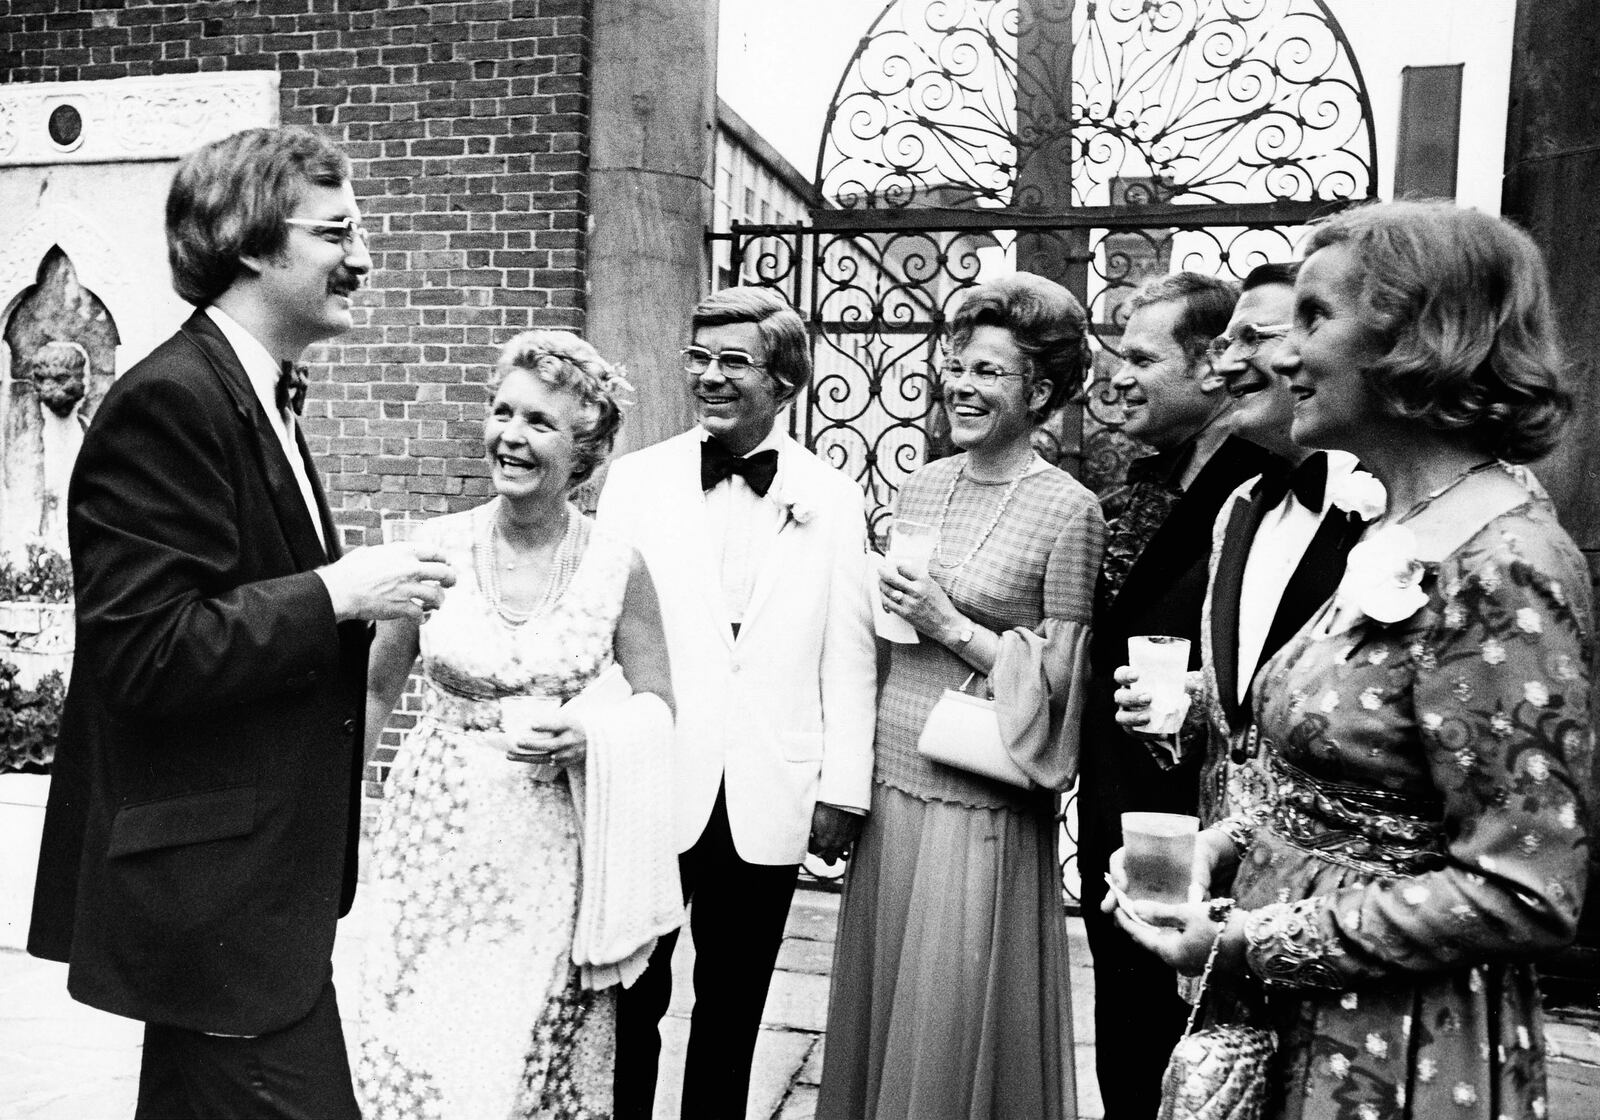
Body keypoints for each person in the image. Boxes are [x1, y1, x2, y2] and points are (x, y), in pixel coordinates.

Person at [1109, 200, 1592, 1120]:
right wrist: (1217, 850)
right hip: (1303, 1020)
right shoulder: (1397, 530)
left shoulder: (1507, 566)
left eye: (1314, 319)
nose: (1278, 356)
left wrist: (1256, 939)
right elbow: (1337, 789)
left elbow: (1528, 891)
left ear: (1421, 339)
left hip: (1401, 1047)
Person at [26, 125, 456, 1119]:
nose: (364, 255)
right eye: (337, 231)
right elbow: (146, 650)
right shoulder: (171, 402)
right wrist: (342, 591)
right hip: (218, 905)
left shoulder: (258, 396)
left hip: (248, 904)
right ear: (253, 244)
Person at [358, 329, 678, 1120]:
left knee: (522, 1057)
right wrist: (335, 816)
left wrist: (594, 737)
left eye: (540, 423)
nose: (511, 435)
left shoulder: (618, 567)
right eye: (503, 411)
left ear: (585, 450)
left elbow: (659, 704)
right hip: (432, 836)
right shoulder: (434, 549)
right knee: (421, 1047)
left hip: (552, 845)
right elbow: (373, 693)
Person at [817, 273, 1104, 1120]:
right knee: (886, 1003)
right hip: (892, 770)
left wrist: (948, 622)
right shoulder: (924, 484)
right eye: (956, 365)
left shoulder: (1070, 510)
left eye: (988, 371)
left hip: (977, 792)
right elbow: (882, 632)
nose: (962, 386)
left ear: (1041, 391)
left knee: (951, 1009)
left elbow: (1060, 685)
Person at [598, 286, 876, 1120]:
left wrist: (842, 787)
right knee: (631, 997)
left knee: (734, 1003)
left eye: (732, 362)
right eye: (699, 359)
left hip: (769, 786)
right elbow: (603, 632)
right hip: (656, 779)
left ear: (784, 381)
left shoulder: (831, 497)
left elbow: (849, 653)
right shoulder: (637, 482)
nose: (708, 378)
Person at [1078, 271, 1279, 1120]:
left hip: (1206, 831)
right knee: (1125, 1052)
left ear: (1210, 368)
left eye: (1139, 357)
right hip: (1126, 817)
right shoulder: (1146, 484)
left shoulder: (1260, 488)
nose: (1116, 376)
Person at [1114, 262, 1375, 830]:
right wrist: (1190, 704)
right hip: (1223, 853)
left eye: (1254, 339)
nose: (1228, 363)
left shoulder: (1390, 509)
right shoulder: (1241, 510)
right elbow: (1252, 694)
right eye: (1228, 342)